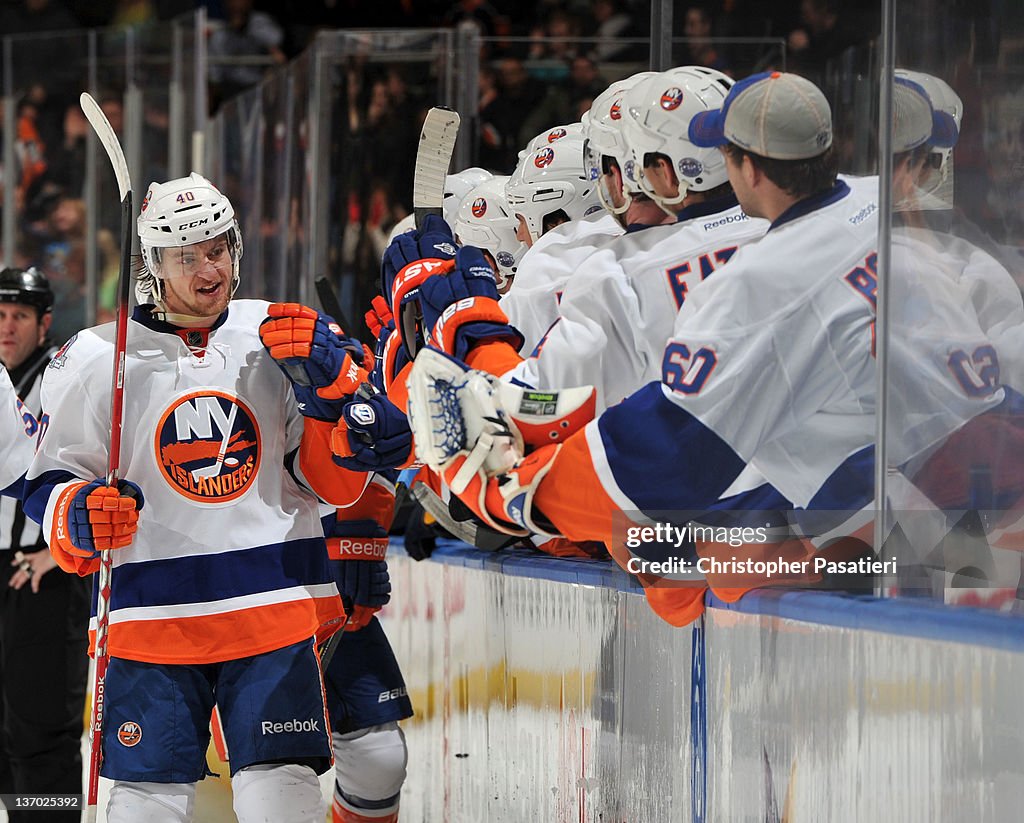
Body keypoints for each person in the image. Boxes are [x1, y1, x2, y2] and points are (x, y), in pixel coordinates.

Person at [405, 72, 882, 626]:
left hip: (762, 549)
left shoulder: (623, 272)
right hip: (896, 505)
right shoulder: (867, 204)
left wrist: (468, 335)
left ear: (659, 169)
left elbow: (540, 410)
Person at [23, 173, 371, 823]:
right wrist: (78, 512)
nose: (209, 268)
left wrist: (333, 409)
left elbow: (332, 486)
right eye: (188, 256)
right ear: (153, 265)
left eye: (218, 249)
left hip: (272, 608)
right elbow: (47, 483)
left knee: (283, 789)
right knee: (145, 802)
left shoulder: (278, 334)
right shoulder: (96, 357)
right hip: (150, 619)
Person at [0, 267, 89, 823]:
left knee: (40, 731)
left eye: (20, 317)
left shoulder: (64, 381)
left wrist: (55, 553)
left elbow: (95, 471)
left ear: (44, 322)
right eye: (0, 315)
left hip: (44, 579)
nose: (6, 327)